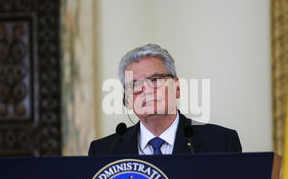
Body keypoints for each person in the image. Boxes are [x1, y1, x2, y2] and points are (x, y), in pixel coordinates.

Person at [88, 44, 242, 155]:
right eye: (135, 84)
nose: (146, 90)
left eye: (155, 79)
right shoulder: (104, 151)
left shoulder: (221, 143)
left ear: (177, 88)